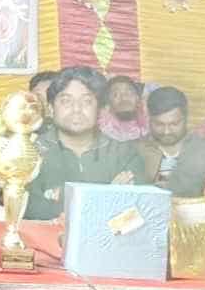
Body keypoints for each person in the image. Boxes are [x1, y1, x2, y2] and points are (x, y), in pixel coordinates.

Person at [26, 66, 146, 220]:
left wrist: (63, 199)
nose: (76, 109)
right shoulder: (30, 152)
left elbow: (137, 213)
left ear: (100, 109)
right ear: (51, 108)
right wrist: (107, 197)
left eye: (87, 101)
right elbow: (30, 210)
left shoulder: (124, 154)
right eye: (66, 101)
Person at [138, 86, 189, 189]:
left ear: (186, 118)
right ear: (149, 119)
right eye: (159, 124)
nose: (167, 132)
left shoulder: (204, 149)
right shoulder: (136, 151)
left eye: (174, 124)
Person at [99, 75, 148, 142]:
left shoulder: (152, 126)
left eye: (129, 92)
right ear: (108, 103)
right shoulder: (100, 132)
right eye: (116, 94)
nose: (124, 98)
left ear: (138, 99)